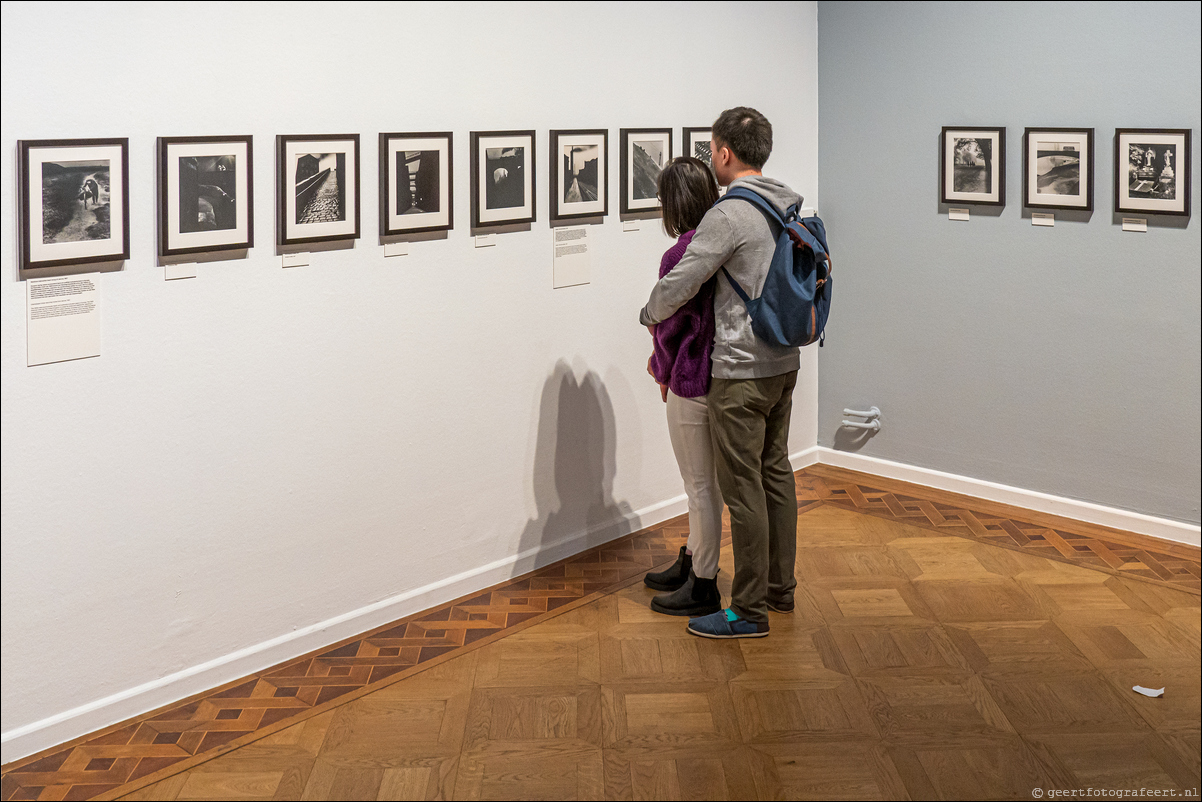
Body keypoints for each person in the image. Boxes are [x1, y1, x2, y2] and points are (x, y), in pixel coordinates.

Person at [639, 107, 803, 639]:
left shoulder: (730, 214)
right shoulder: (785, 204)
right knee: (775, 475)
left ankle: (748, 610)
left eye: (712, 150)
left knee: (740, 489)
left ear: (725, 153)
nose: (711, 159)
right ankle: (780, 589)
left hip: (741, 370)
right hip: (784, 361)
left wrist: (648, 312)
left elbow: (682, 282)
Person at [642, 156, 723, 618]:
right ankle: (692, 558)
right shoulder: (718, 243)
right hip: (721, 375)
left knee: (699, 486)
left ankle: (703, 582)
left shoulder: (679, 254)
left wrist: (660, 371)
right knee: (704, 484)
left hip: (690, 380)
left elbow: (668, 328)